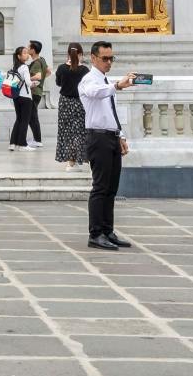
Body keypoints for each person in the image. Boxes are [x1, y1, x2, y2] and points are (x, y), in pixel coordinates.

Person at [77, 40, 134, 250]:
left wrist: (121, 135)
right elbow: (95, 93)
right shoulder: (89, 80)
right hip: (97, 138)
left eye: (111, 58)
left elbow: (111, 113)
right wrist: (117, 86)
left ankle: (108, 230)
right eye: (105, 58)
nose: (109, 62)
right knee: (100, 187)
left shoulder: (106, 82)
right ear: (93, 58)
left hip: (111, 136)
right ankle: (96, 233)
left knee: (112, 187)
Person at [54, 43, 89, 166]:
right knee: (80, 131)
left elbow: (59, 83)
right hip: (80, 102)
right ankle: (81, 158)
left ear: (68, 54)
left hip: (65, 102)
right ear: (80, 54)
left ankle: (70, 161)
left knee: (66, 131)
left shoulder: (61, 68)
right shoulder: (85, 70)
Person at [8, 44, 37, 148]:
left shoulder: (14, 67)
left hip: (16, 96)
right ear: (19, 56)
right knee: (24, 120)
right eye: (24, 53)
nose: (27, 54)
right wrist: (35, 82)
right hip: (25, 97)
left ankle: (12, 143)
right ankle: (22, 144)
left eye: (26, 52)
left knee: (19, 119)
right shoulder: (24, 67)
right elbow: (28, 83)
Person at [25, 40, 49, 145]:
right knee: (32, 116)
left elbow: (38, 76)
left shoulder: (36, 63)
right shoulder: (42, 60)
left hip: (34, 92)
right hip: (38, 92)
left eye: (29, 48)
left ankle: (37, 140)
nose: (27, 49)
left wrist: (26, 79)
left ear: (33, 50)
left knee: (32, 117)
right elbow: (48, 72)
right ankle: (36, 139)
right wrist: (42, 81)